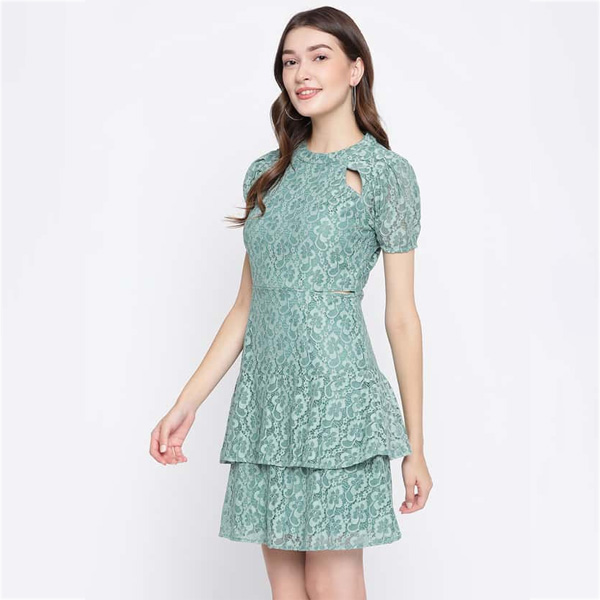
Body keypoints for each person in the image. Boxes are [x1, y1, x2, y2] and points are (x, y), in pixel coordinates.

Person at [150, 7, 433, 599]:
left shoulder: (383, 175)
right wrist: (186, 404)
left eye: (319, 56)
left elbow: (402, 317)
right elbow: (245, 308)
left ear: (356, 69)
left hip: (338, 402)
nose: (301, 72)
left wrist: (415, 446)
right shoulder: (267, 173)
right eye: (290, 61)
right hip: (268, 401)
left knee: (332, 582)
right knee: (285, 589)